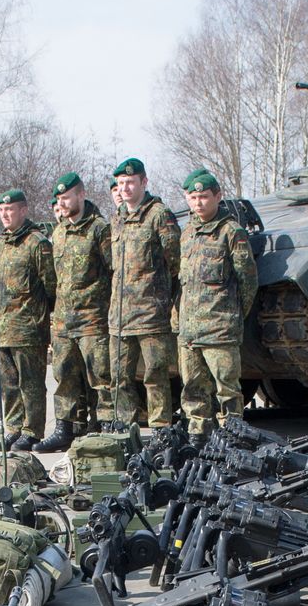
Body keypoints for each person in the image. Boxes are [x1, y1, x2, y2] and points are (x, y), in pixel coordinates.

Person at [176, 169, 257, 434]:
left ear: (217, 196)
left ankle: (232, 436)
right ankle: (198, 436)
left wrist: (232, 316)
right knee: (193, 391)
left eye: (204, 197)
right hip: (189, 331)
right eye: (193, 197)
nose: (198, 203)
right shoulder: (187, 233)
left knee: (227, 390)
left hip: (220, 328)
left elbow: (247, 281)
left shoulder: (231, 232)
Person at [37, 172, 111, 452]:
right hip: (64, 322)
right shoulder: (59, 232)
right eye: (59, 199)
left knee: (100, 378)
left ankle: (104, 428)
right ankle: (65, 428)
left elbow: (113, 271)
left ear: (81, 195)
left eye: (66, 197)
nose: (62, 203)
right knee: (64, 377)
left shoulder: (99, 229)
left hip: (93, 318)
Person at [107, 157, 180, 430]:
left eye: (130, 182)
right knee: (119, 378)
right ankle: (125, 429)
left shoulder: (159, 215)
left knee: (155, 376)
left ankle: (161, 430)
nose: (125, 188)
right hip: (120, 317)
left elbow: (176, 262)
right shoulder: (117, 218)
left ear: (143, 182)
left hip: (151, 314)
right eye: (120, 183)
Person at [0, 188, 54, 451]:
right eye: (1, 211)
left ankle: (32, 431)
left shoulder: (37, 243)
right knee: (8, 385)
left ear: (23, 210)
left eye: (10, 209)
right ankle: (14, 428)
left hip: (28, 329)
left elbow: (51, 286)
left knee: (31, 385)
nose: (5, 215)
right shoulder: (0, 245)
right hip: (2, 329)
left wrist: (40, 318)